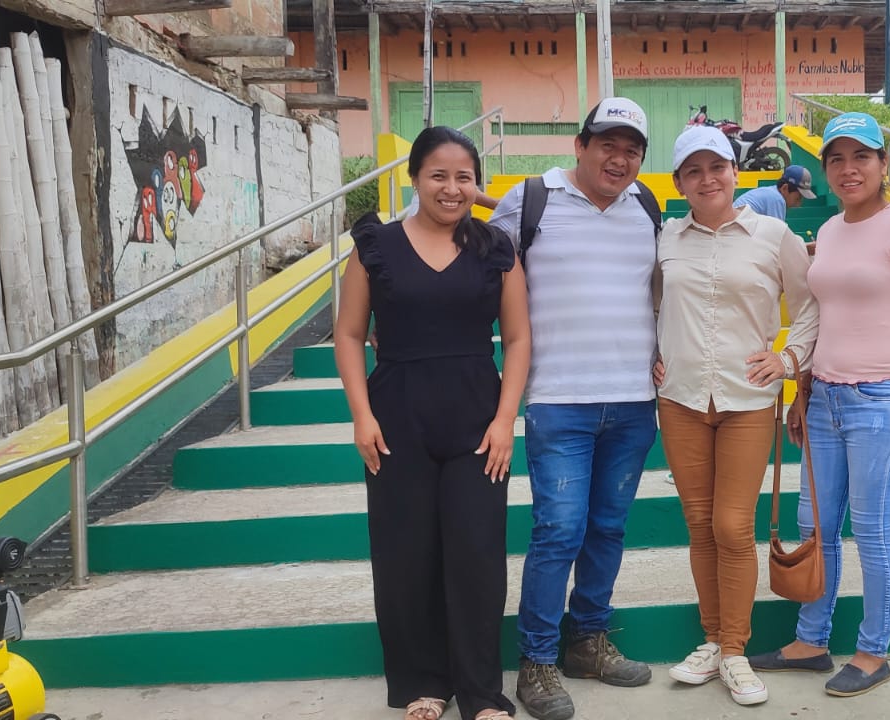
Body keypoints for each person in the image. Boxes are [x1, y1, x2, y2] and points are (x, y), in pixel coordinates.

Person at [748, 112, 890, 698]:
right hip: (824, 400)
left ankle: (872, 652)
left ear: (883, 163)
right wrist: (805, 389)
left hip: (880, 403)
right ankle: (811, 642)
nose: (848, 169)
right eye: (836, 159)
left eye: (861, 156)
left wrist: (884, 353)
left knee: (873, 533)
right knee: (816, 527)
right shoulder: (832, 229)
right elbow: (823, 317)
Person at [333, 126, 529, 720]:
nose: (452, 188)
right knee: (405, 554)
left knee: (476, 557)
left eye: (464, 177)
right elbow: (348, 333)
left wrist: (505, 420)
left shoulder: (495, 247)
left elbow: (518, 338)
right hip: (397, 419)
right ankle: (423, 684)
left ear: (477, 183)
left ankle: (481, 693)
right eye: (438, 175)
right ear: (415, 178)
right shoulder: (376, 245)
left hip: (477, 421)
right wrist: (361, 416)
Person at [487, 97, 660, 720]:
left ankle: (588, 640)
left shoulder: (646, 206)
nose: (619, 159)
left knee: (608, 527)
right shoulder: (530, 200)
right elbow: (475, 270)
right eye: (607, 145)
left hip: (634, 403)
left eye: (632, 150)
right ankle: (536, 659)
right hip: (558, 400)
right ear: (580, 146)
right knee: (559, 530)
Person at [652, 126, 818, 706]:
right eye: (693, 171)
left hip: (747, 398)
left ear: (735, 172)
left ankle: (734, 650)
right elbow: (652, 303)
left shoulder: (773, 235)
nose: (707, 180)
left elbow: (808, 307)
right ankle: (711, 641)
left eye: (716, 168)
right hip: (680, 398)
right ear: (679, 183)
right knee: (699, 524)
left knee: (731, 526)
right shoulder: (666, 238)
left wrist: (788, 359)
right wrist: (654, 351)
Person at [732, 165, 818, 221]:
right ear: (785, 188)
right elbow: (778, 237)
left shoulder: (771, 193)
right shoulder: (777, 199)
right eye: (798, 198)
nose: (799, 204)